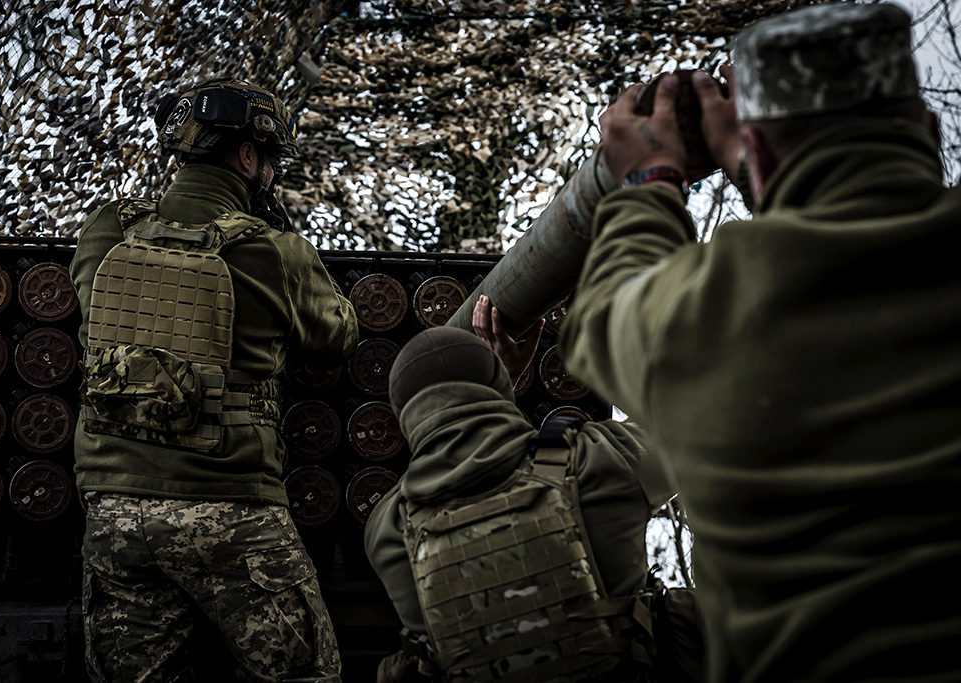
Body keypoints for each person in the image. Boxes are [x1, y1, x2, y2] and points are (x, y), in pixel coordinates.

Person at [557, 3, 961, 682]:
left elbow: (604, 314)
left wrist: (650, 177)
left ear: (761, 157)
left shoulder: (711, 311)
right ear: (926, 128)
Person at [69, 77, 358, 682]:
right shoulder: (275, 251)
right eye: (272, 159)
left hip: (113, 515)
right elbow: (336, 338)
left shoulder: (106, 229)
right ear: (250, 156)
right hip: (230, 512)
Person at [363, 295, 703, 683]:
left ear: (403, 418)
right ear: (495, 384)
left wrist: (497, 385)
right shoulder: (600, 461)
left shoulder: (389, 531)